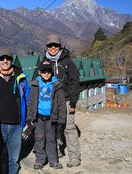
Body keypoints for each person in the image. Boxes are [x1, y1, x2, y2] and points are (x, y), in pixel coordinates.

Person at [40, 34, 81, 168]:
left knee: (69, 128)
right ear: (47, 47)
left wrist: (73, 102)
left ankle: (74, 157)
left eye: (56, 45)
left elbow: (75, 82)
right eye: (50, 45)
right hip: (50, 102)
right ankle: (57, 151)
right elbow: (38, 82)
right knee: (53, 127)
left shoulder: (68, 62)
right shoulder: (43, 62)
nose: (53, 48)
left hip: (67, 100)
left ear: (59, 46)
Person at [22, 61, 66, 169]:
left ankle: (53, 160)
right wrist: (29, 119)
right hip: (39, 118)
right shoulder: (35, 85)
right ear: (39, 72)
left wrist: (61, 121)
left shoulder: (57, 85)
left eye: (49, 71)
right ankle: (40, 160)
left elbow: (61, 104)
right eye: (43, 71)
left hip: (52, 118)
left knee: (51, 139)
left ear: (52, 72)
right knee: (39, 138)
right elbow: (31, 103)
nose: (46, 74)